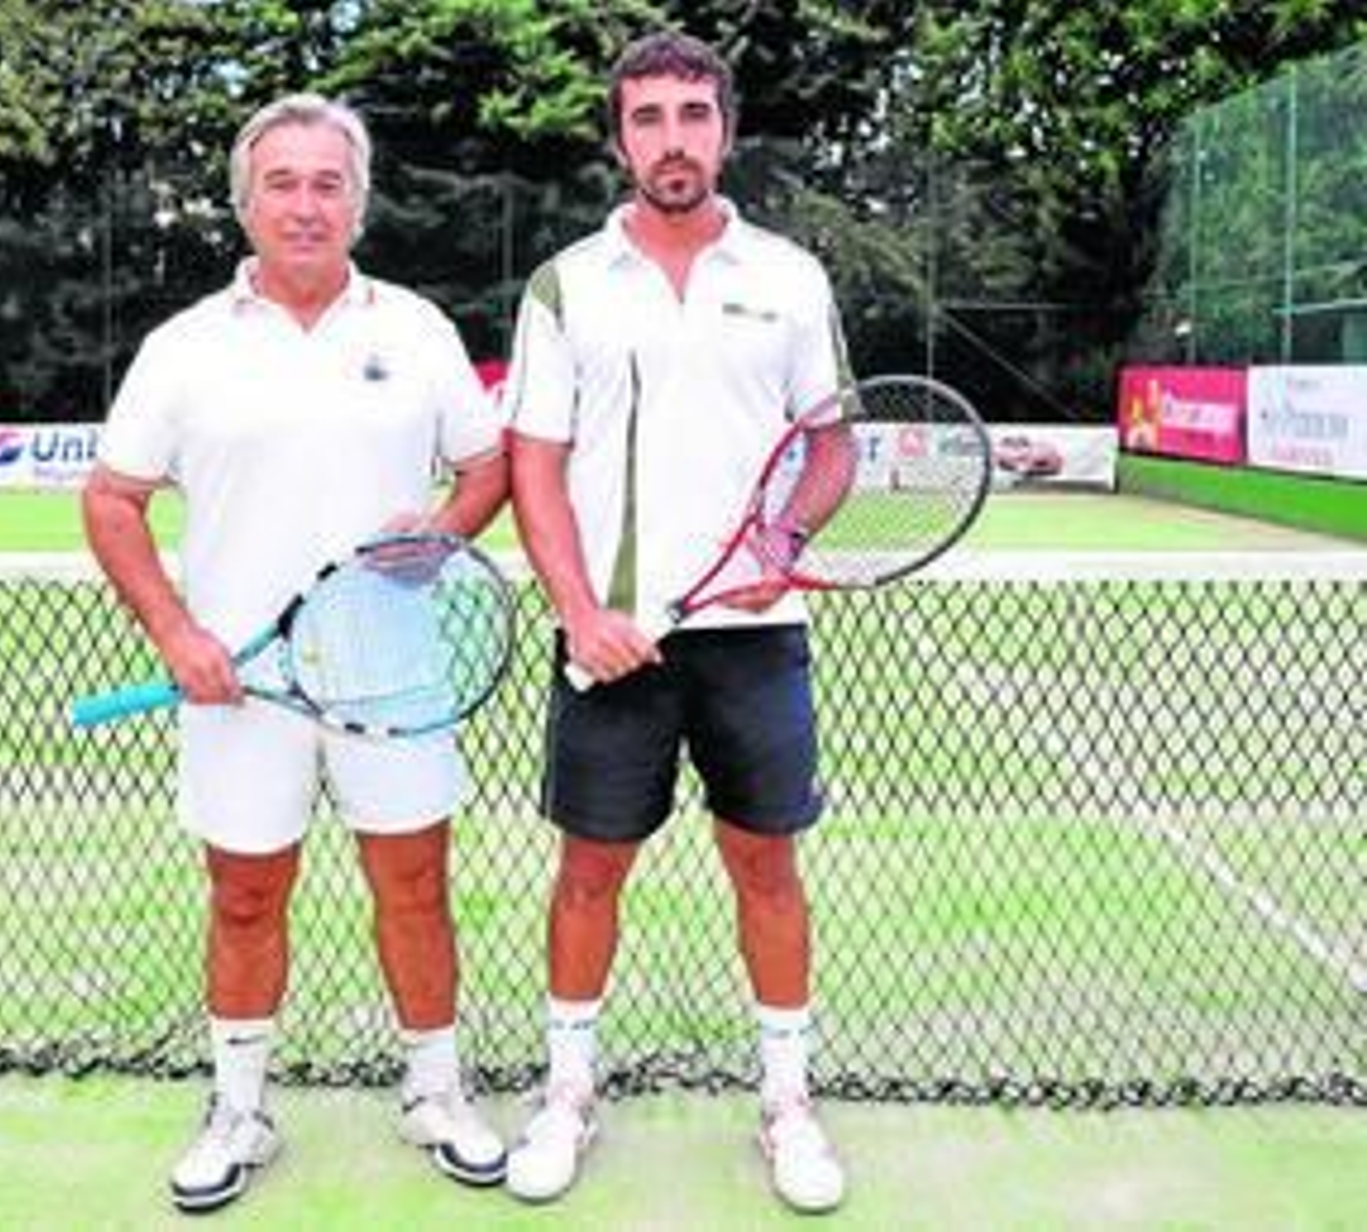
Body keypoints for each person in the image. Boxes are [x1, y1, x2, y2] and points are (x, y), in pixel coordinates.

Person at [81, 92, 509, 1214]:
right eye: (284, 182)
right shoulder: (184, 347)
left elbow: (486, 467)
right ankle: (237, 1112)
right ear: (245, 201)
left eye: (329, 183)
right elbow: (114, 499)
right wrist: (177, 632)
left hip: (394, 673)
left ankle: (436, 1091)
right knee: (242, 896)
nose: (306, 204)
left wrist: (447, 531)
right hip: (239, 687)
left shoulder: (414, 328)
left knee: (414, 887)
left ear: (358, 202)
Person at [501, 32, 851, 1213]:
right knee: (590, 868)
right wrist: (579, 609)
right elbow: (533, 463)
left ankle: (788, 1105)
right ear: (618, 139)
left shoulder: (794, 278)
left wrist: (783, 544)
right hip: (610, 641)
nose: (671, 139)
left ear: (726, 131)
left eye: (691, 115)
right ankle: (565, 1093)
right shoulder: (564, 283)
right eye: (646, 118)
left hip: (756, 635)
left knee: (767, 863)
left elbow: (831, 443)